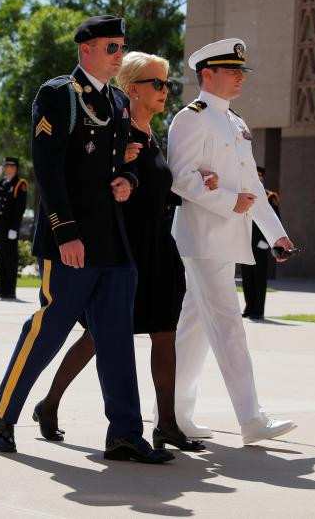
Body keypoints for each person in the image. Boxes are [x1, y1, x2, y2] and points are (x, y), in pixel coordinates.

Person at [0, 15, 172, 464]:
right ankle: (2, 411)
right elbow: (47, 168)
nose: (118, 55)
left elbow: (126, 156)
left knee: (116, 338)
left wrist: (127, 178)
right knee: (49, 330)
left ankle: (125, 433)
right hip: (72, 240)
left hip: (113, 240)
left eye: (122, 47)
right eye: (111, 47)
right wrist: (64, 231)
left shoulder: (120, 101)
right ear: (85, 49)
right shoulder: (59, 95)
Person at [33, 51, 217, 452]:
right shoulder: (117, 134)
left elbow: (157, 189)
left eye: (167, 83)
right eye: (157, 83)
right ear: (132, 88)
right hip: (124, 251)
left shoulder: (153, 134)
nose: (165, 91)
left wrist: (199, 180)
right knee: (97, 337)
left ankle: (166, 424)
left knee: (165, 335)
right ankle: (49, 403)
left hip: (158, 250)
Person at [167, 38, 297, 445]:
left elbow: (251, 187)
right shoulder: (192, 118)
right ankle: (251, 418)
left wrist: (276, 232)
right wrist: (228, 201)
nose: (241, 76)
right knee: (227, 325)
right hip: (203, 237)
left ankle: (173, 414)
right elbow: (181, 177)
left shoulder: (235, 122)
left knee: (195, 329)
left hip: (228, 238)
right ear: (208, 74)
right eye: (233, 70)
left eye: (242, 70)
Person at [241, 166, 280, 320]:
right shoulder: (244, 193)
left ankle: (258, 309)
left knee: (259, 278)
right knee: (247, 278)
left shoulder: (269, 196)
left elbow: (274, 220)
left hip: (260, 244)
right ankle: (249, 307)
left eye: (259, 177)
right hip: (246, 242)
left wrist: (267, 240)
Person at [0, 157, 28, 299]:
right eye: (4, 166)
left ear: (14, 168)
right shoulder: (4, 182)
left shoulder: (20, 184)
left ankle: (10, 290)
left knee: (10, 260)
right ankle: (2, 289)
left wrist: (14, 228)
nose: (5, 169)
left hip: (10, 229)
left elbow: (19, 209)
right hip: (1, 227)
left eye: (8, 167)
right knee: (2, 259)